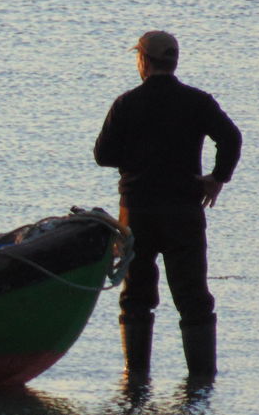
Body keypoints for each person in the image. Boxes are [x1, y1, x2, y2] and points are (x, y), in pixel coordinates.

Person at [93, 30, 241, 382]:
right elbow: (231, 138)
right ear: (174, 61)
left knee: (136, 298)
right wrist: (217, 177)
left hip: (137, 211)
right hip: (184, 212)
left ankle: (136, 378)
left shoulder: (126, 104)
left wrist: (137, 161)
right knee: (193, 299)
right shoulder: (197, 102)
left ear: (143, 60)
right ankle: (202, 380)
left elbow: (103, 155)